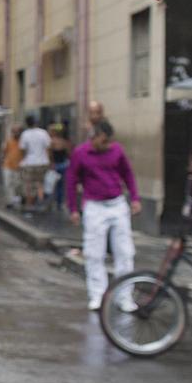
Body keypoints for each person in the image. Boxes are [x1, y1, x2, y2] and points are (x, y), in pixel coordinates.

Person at [66, 120, 141, 312]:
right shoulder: (81, 153)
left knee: (125, 252)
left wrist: (135, 198)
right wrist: (73, 208)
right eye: (104, 141)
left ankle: (124, 297)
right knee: (94, 252)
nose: (107, 145)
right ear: (94, 137)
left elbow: (128, 174)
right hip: (94, 206)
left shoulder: (117, 150)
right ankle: (97, 295)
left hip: (116, 203)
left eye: (109, 141)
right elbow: (71, 181)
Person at [18, 115, 52, 210]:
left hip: (29, 162)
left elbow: (22, 150)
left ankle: (30, 204)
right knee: (40, 183)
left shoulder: (25, 134)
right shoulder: (43, 133)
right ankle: (40, 202)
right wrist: (50, 161)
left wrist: (22, 160)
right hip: (42, 162)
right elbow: (48, 148)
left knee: (29, 184)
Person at [2, 127, 23, 208]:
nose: (15, 134)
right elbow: (4, 152)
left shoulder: (22, 142)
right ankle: (10, 201)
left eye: (17, 132)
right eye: (14, 132)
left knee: (17, 184)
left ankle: (16, 199)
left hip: (19, 166)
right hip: (8, 165)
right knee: (8, 184)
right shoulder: (8, 141)